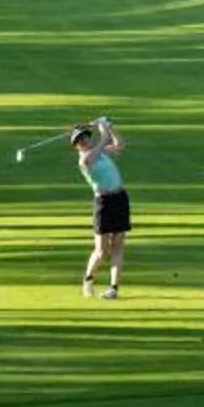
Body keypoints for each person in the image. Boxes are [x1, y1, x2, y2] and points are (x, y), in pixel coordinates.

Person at [72, 118, 129, 299]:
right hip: (103, 203)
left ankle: (113, 288)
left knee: (118, 247)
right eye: (79, 140)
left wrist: (110, 127)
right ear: (76, 146)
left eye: (85, 137)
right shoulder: (85, 160)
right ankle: (88, 279)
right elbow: (103, 141)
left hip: (120, 198)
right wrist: (103, 128)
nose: (84, 141)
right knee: (102, 251)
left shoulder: (101, 152)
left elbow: (119, 145)